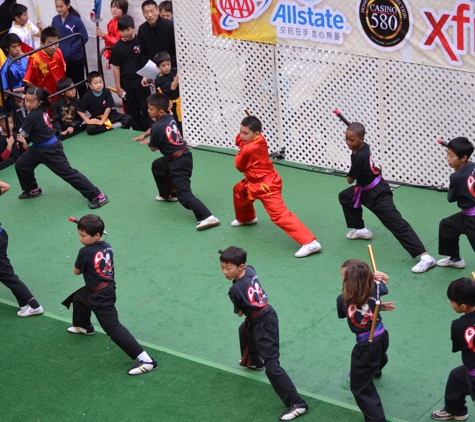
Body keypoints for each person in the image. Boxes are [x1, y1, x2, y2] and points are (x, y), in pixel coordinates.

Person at [220, 246, 309, 421]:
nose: (224, 272)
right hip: (268, 313)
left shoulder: (235, 290)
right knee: (244, 330)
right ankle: (254, 361)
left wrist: (235, 296)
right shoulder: (250, 270)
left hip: (262, 323)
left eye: (228, 268)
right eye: (222, 267)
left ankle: (298, 404)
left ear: (240, 266)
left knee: (273, 365)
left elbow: (239, 313)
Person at [63, 214, 158, 376]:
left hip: (100, 295)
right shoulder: (107, 246)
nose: (80, 239)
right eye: (79, 234)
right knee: (79, 298)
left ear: (97, 235)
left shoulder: (85, 252)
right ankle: (84, 326)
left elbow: (76, 272)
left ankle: (147, 361)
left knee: (113, 328)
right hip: (104, 289)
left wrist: (84, 260)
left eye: (84, 236)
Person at [338, 122, 436, 273]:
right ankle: (361, 229)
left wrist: (351, 173)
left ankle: (425, 257)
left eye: (351, 140)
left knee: (396, 223)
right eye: (346, 139)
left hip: (377, 193)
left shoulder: (360, 156)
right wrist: (354, 138)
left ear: (362, 139)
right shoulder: (363, 146)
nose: (348, 143)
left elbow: (349, 179)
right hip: (364, 189)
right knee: (345, 197)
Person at [232, 115, 321, 258]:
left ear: (256, 134)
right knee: (239, 191)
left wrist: (243, 145)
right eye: (241, 131)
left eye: (245, 133)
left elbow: (239, 165)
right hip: (257, 181)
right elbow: (241, 141)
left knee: (279, 215)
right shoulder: (260, 139)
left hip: (267, 186)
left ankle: (310, 242)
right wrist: (246, 135)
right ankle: (246, 218)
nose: (241, 136)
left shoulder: (249, 148)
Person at [14, 85, 108, 209]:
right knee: (21, 165)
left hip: (49, 149)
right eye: (26, 100)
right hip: (38, 148)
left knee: (68, 173)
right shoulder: (42, 107)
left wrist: (16, 134)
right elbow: (28, 111)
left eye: (31, 101)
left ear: (39, 102)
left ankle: (98, 196)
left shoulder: (33, 116)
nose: (27, 104)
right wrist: (28, 100)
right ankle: (32, 189)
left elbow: (23, 133)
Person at [147, 93, 220, 230]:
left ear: (160, 111)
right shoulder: (170, 116)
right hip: (184, 155)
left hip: (178, 162)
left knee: (185, 196)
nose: (148, 111)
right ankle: (167, 194)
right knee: (158, 166)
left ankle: (208, 217)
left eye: (151, 109)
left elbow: (153, 148)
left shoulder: (156, 127)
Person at [337, 259, 394, 422]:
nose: (341, 277)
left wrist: (377, 305)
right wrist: (382, 278)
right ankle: (376, 369)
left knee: (360, 388)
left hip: (365, 345)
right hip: (382, 336)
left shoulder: (342, 300)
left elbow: (345, 314)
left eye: (343, 276)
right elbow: (384, 282)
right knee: (379, 356)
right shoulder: (375, 289)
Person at [431, 277, 475, 421]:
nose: (450, 304)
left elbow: (458, 347)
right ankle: (456, 410)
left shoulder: (459, 325)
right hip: (470, 371)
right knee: (456, 377)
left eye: (452, 301)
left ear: (463, 306)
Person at [0, 180, 44, 317]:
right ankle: (23, 305)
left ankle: (35, 305)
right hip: (2, 234)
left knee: (7, 275)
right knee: (5, 272)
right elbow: (6, 186)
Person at [437, 137, 475, 270]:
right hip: (467, 215)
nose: (448, 158)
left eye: (452, 155)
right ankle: (455, 259)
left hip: (472, 218)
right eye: (447, 154)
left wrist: (456, 176)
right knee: (447, 226)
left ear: (464, 157)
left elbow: (451, 198)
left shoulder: (456, 177)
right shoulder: (472, 166)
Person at [109, 15, 150, 131]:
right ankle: (137, 132)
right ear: (119, 31)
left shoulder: (140, 41)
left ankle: (149, 131)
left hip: (142, 81)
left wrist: (145, 76)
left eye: (128, 29)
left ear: (133, 27)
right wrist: (118, 87)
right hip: (126, 83)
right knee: (132, 111)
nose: (126, 33)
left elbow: (146, 59)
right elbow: (116, 68)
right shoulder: (117, 47)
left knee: (146, 108)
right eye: (122, 30)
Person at [76, 71, 133, 135]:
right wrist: (87, 120)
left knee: (128, 119)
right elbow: (79, 109)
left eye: (100, 82)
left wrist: (103, 121)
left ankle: (118, 131)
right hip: (97, 117)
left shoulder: (106, 91)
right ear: (89, 85)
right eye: (95, 83)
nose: (99, 85)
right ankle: (112, 127)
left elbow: (108, 107)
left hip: (110, 115)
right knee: (90, 129)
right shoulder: (87, 96)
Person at [51, 0, 88, 98]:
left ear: (68, 5)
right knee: (68, 84)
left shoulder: (76, 20)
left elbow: (84, 36)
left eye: (61, 6)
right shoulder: (55, 20)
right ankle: (73, 105)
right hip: (61, 59)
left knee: (79, 82)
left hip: (76, 58)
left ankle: (86, 105)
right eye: (57, 7)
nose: (59, 9)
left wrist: (71, 50)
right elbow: (53, 37)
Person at [138, 0, 176, 91]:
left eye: (152, 11)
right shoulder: (142, 29)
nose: (150, 15)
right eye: (146, 12)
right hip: (153, 72)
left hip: (170, 71)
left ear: (158, 10)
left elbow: (176, 51)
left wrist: (169, 69)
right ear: (143, 13)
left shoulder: (169, 26)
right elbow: (143, 54)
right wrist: (146, 74)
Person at [23, 26, 66, 101]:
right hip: (46, 97)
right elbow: (30, 82)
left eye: (56, 43)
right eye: (50, 43)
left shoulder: (58, 51)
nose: (54, 47)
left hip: (61, 93)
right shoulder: (35, 58)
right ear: (42, 43)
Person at [95, 0, 128, 71]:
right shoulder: (111, 22)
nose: (114, 9)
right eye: (113, 7)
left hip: (124, 56)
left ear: (123, 10)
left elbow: (119, 42)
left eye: (118, 7)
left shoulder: (124, 23)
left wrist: (104, 35)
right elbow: (109, 43)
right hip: (116, 55)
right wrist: (108, 57)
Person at [154, 51, 181, 134]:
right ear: (158, 67)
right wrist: (179, 75)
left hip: (181, 102)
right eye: (163, 65)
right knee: (175, 125)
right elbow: (172, 87)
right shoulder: (159, 79)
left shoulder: (174, 71)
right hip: (171, 106)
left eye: (168, 64)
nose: (167, 67)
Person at [0, 33, 28, 110]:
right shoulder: (6, 68)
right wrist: (21, 90)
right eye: (14, 47)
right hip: (15, 105)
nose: (18, 49)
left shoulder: (25, 59)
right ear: (7, 49)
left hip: (31, 97)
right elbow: (5, 91)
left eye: (19, 45)